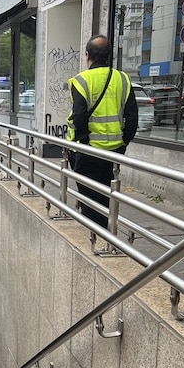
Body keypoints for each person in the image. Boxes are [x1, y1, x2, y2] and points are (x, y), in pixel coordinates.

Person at [67, 35, 138, 229]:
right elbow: (132, 117)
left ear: (87, 55)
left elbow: (79, 117)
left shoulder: (81, 81)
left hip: (89, 151)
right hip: (114, 151)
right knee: (107, 194)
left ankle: (95, 236)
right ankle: (105, 234)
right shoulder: (122, 79)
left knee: (89, 198)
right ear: (108, 56)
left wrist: (84, 143)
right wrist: (124, 142)